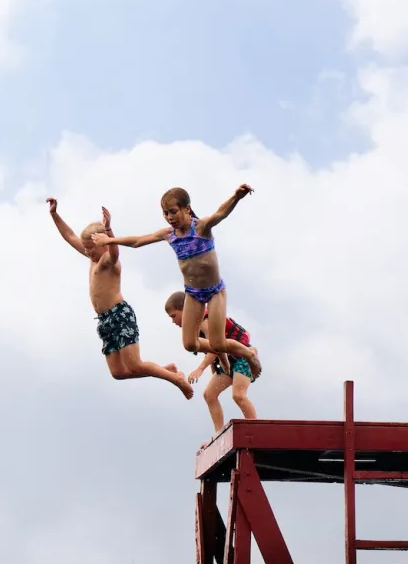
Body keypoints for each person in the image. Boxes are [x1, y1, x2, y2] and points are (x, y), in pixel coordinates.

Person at [95, 185, 262, 378]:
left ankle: (249, 353)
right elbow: (138, 241)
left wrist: (236, 197)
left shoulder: (200, 227)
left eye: (173, 212)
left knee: (218, 343)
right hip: (193, 293)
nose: (169, 217)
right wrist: (109, 240)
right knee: (189, 344)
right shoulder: (169, 235)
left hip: (215, 291)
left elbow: (220, 214)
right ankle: (231, 354)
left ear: (187, 209)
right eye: (165, 213)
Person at [46, 198, 192, 399]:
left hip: (119, 315)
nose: (86, 252)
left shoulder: (108, 260)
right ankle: (167, 370)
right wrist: (54, 214)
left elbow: (115, 251)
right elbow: (69, 236)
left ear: (103, 244)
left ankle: (176, 379)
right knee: (118, 373)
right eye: (86, 248)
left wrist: (109, 232)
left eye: (90, 248)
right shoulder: (93, 257)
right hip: (105, 320)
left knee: (135, 364)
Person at [167, 292, 259, 433]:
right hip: (227, 360)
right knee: (209, 394)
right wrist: (213, 372)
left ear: (185, 309)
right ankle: (218, 433)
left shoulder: (204, 322)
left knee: (238, 395)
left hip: (242, 357)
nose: (173, 321)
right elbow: (210, 352)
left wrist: (200, 369)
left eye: (174, 316)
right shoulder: (193, 330)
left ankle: (255, 429)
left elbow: (214, 348)